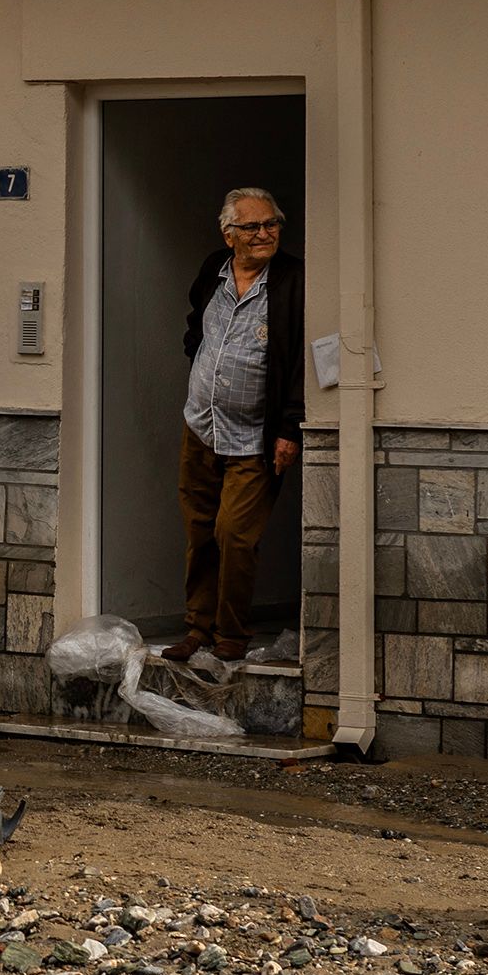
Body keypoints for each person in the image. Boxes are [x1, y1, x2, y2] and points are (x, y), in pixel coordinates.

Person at [173, 185, 302, 683]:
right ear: (229, 235)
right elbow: (196, 329)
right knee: (200, 531)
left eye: (271, 224)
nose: (265, 233)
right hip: (200, 426)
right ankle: (197, 627)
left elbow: (298, 363)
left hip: (256, 436)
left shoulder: (292, 280)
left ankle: (232, 631)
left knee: (235, 536)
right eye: (252, 226)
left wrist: (289, 427)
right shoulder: (213, 270)